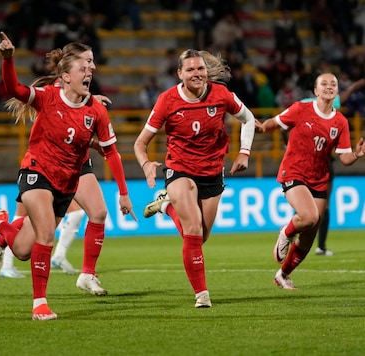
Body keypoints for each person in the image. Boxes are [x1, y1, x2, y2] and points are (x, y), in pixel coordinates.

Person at [0, 32, 135, 320]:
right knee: (47, 233)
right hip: (37, 171)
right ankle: (40, 304)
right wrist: (8, 59)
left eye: (91, 67)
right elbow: (14, 89)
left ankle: (0, 226)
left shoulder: (96, 110)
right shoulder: (48, 98)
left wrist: (123, 192)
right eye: (84, 67)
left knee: (23, 249)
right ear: (65, 76)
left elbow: (111, 153)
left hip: (66, 182)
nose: (91, 71)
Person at [134, 49, 257, 308]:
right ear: (179, 74)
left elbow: (248, 119)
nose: (196, 74)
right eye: (190, 70)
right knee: (192, 230)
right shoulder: (167, 100)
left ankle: (167, 206)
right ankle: (202, 294)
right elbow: (140, 143)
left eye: (200, 69)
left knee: (201, 238)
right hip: (180, 169)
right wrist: (146, 164)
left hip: (212, 171)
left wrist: (244, 152)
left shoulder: (221, 94)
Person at [257, 72, 365, 290]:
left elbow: (344, 158)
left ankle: (283, 275)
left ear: (336, 91)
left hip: (319, 178)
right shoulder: (300, 109)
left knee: (308, 236)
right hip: (294, 172)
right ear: (315, 91)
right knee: (309, 216)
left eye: (333, 84)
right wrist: (260, 127)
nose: (329, 87)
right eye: (323, 84)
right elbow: (275, 123)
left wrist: (356, 154)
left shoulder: (341, 122)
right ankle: (285, 232)